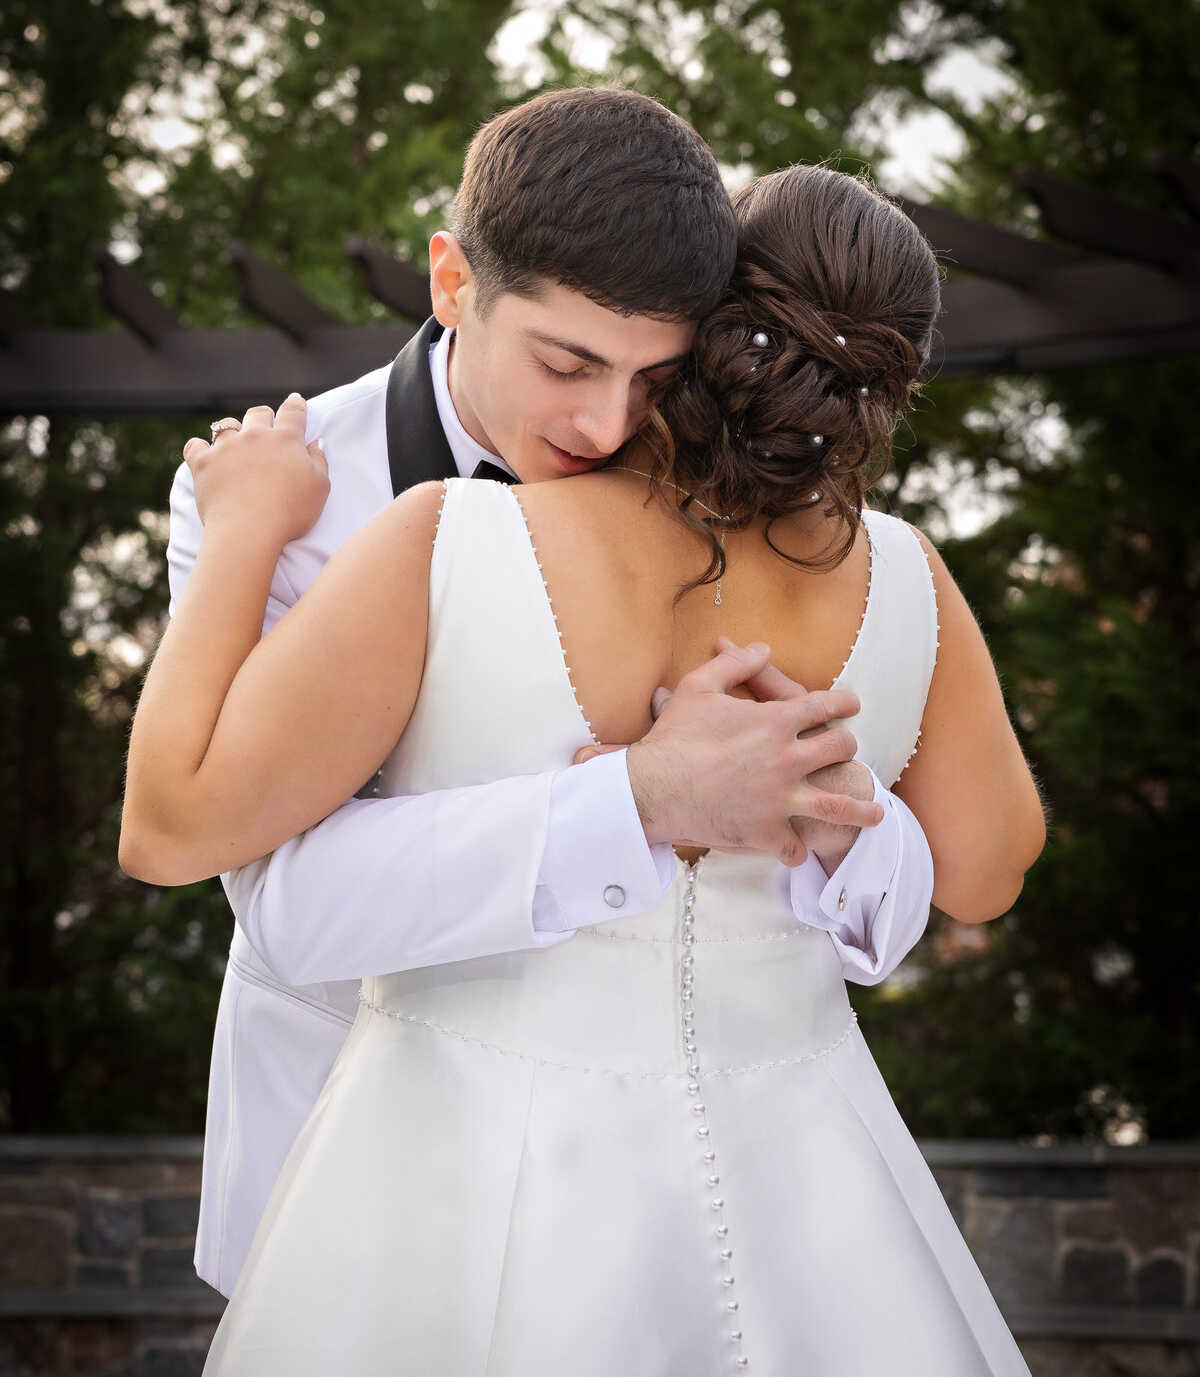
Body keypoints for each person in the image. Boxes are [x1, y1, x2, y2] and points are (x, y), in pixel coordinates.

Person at [122, 159, 1044, 1373]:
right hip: (469, 1157)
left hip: (538, 1139)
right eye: (567, 366)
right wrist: (654, 800)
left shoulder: (444, 538)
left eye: (650, 373)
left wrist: (824, 810)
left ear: (707, 328)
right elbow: (990, 870)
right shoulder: (901, 572)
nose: (606, 421)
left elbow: (169, 815)